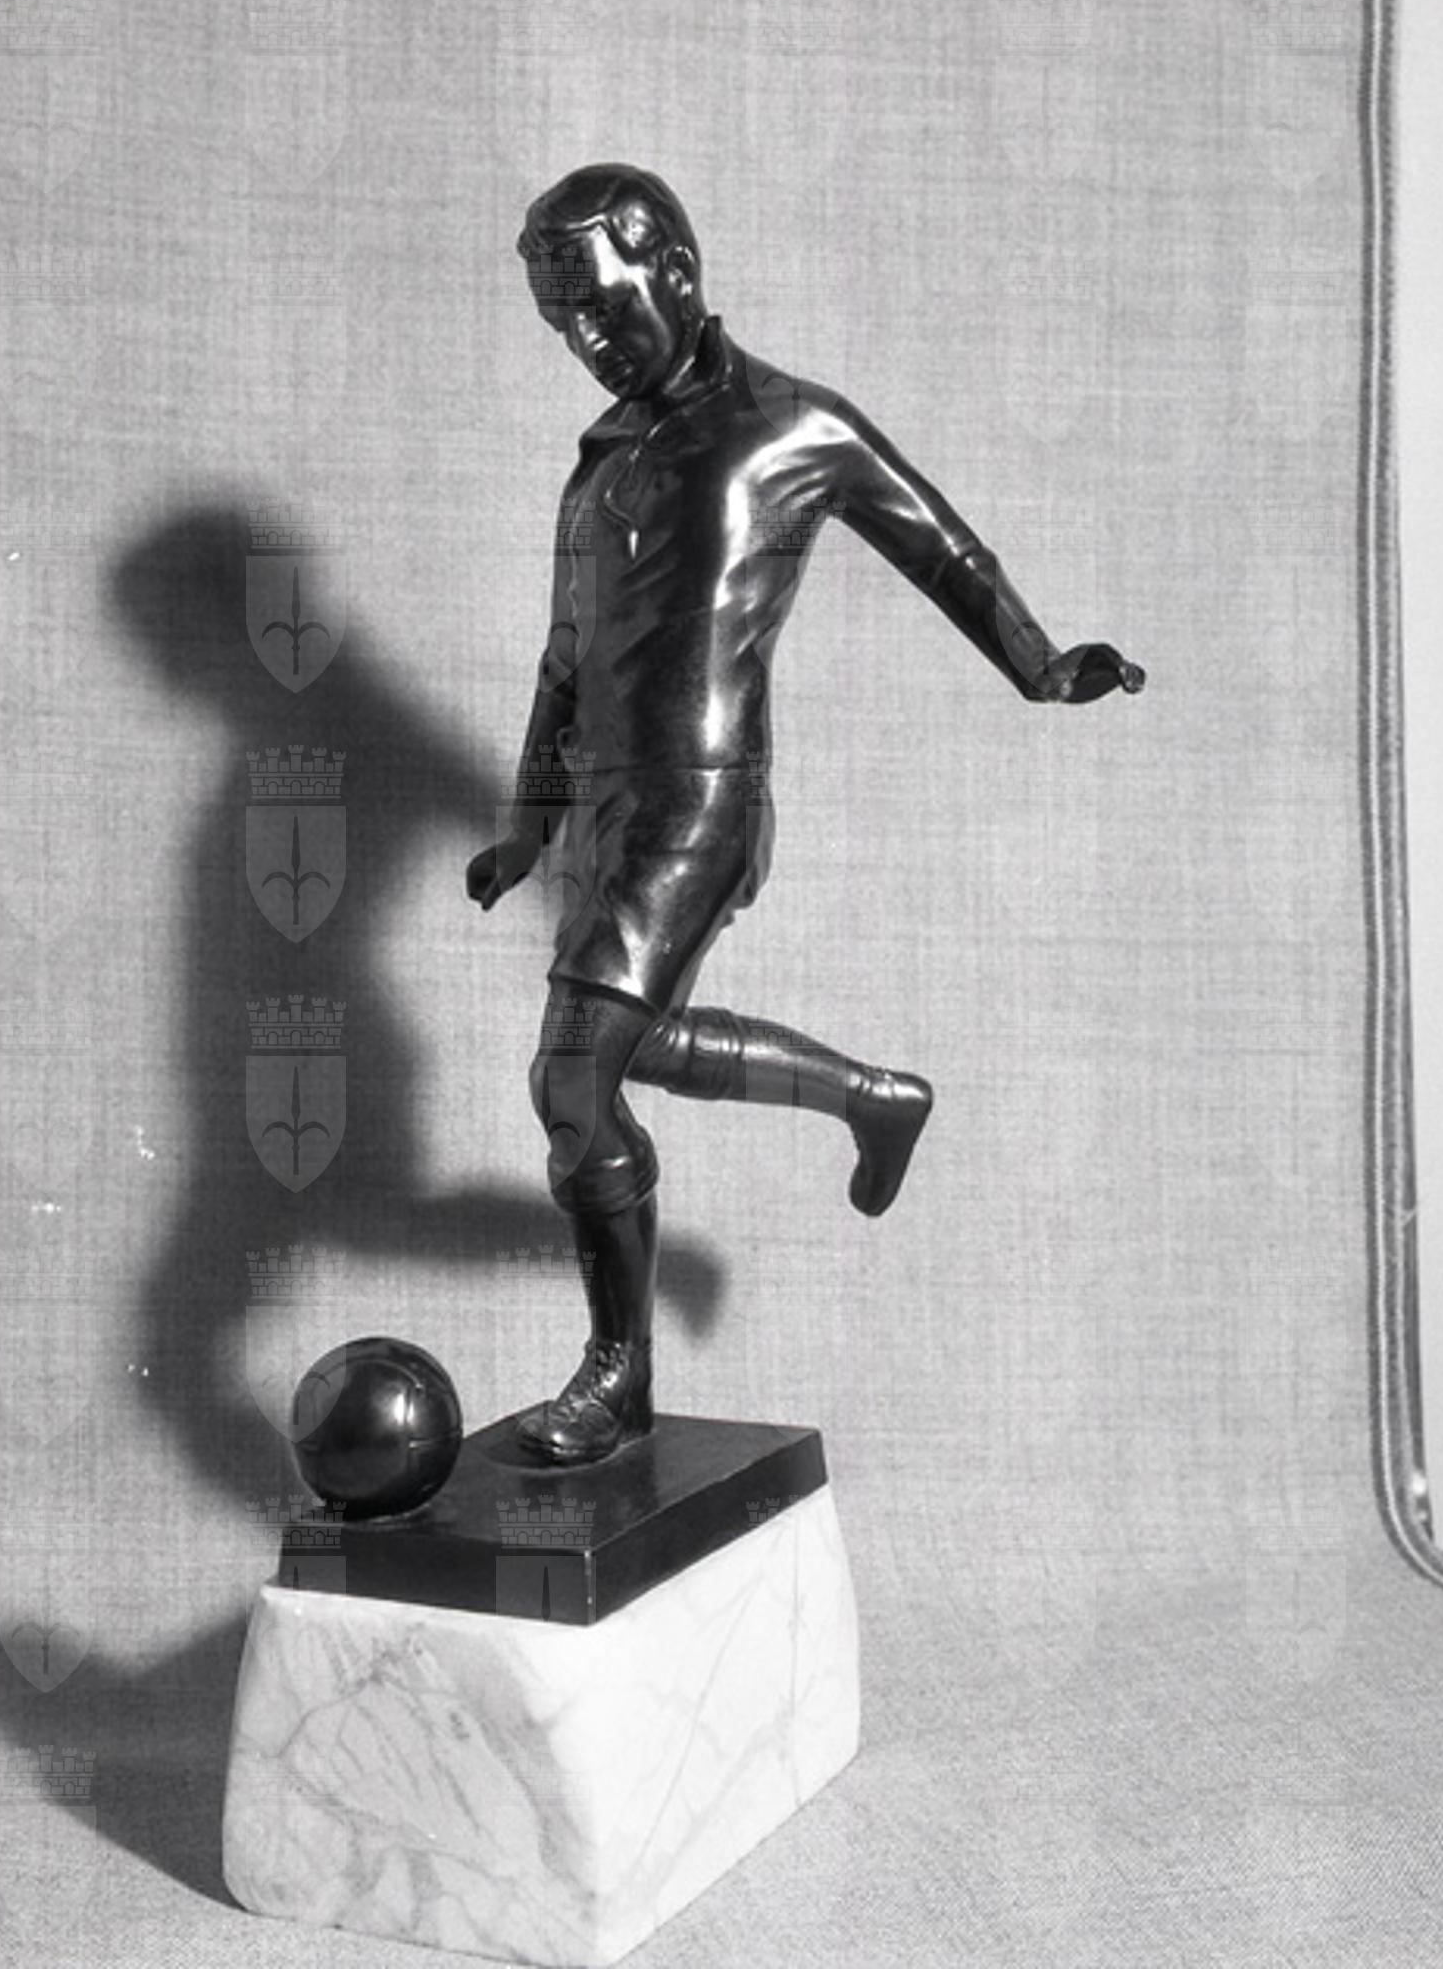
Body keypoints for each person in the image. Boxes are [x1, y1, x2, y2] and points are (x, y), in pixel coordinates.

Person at [469, 164, 1144, 1465]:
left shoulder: (792, 427)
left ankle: (616, 1376)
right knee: (635, 1050)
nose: (590, 344)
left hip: (700, 803)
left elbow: (943, 550)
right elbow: (563, 662)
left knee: (571, 1077)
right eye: (566, 326)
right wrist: (528, 825)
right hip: (609, 809)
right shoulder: (597, 463)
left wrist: (1044, 667)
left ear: (676, 270)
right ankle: (870, 1097)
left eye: (604, 308)